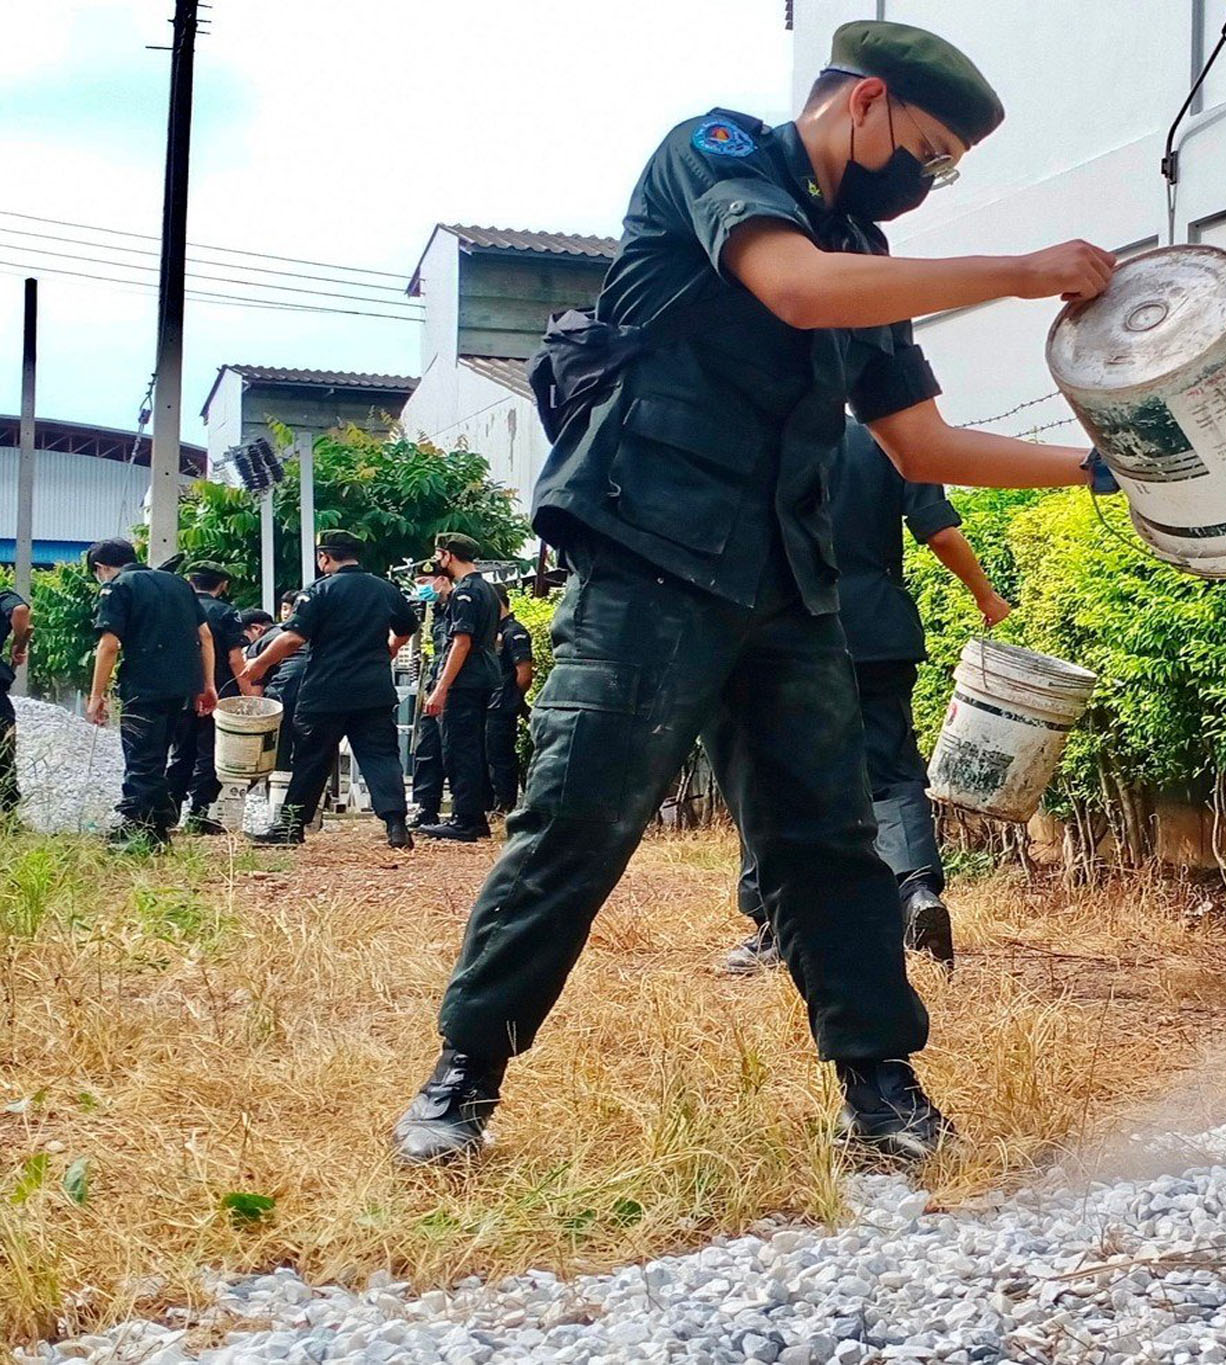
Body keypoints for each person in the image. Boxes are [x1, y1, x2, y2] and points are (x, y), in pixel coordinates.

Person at [393, 18, 1120, 1168]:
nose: (923, 181)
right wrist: (1025, 274)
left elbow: (919, 441)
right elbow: (788, 287)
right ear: (864, 102)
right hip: (649, 549)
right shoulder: (718, 151)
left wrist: (1091, 467)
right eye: (925, 151)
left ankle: (880, 1091)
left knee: (828, 840)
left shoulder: (864, 260)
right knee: (581, 815)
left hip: (785, 579)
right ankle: (463, 1076)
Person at [722, 419, 1008, 976]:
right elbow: (940, 531)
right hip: (879, 631)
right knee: (893, 769)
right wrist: (986, 596)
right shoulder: (892, 441)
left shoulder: (762, 434)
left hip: (787, 632)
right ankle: (916, 895)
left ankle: (773, 926)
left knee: (772, 772)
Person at [240, 530, 419, 850]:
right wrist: (389, 651)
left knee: (312, 758)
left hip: (327, 691)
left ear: (325, 557)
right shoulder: (384, 589)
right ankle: (396, 825)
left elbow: (293, 637)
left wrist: (260, 663)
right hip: (373, 690)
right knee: (381, 756)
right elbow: (406, 628)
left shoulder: (319, 591)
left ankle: (291, 827)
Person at [83, 539, 214, 851]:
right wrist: (207, 684)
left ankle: (141, 832)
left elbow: (110, 645)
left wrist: (96, 695)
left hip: (144, 686)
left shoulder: (118, 587)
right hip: (182, 687)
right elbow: (205, 636)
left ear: (101, 568)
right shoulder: (179, 584)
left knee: (142, 760)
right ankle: (156, 827)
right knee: (157, 758)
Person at [416, 534, 501, 843]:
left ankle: (465, 819)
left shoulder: (465, 593)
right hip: (480, 676)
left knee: (458, 749)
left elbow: (460, 643)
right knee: (471, 748)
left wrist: (440, 689)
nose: (439, 563)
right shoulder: (486, 589)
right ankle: (473, 816)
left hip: (464, 680)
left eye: (439, 557)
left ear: (448, 556)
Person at [167, 564, 249, 835]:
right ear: (223, 585)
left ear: (190, 582)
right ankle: (199, 814)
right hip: (219, 695)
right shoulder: (227, 613)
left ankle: (167, 814)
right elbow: (236, 659)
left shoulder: (177, 608)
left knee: (181, 754)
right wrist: (248, 694)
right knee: (210, 755)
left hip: (180, 691)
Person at [407, 566, 454, 827]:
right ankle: (426, 807)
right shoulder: (436, 611)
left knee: (454, 751)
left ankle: (465, 811)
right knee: (428, 749)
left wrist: (442, 688)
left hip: (452, 689)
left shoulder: (458, 606)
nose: (421, 589)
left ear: (442, 579)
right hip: (435, 684)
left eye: (425, 582)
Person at [485, 590, 535, 815]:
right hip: (490, 703)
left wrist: (512, 699)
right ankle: (493, 803)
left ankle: (505, 804)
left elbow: (524, 674)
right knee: (488, 755)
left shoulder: (514, 632)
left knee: (500, 755)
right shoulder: (494, 631)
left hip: (502, 705)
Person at [253, 592, 311, 775]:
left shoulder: (273, 636)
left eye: (291, 608)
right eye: (284, 608)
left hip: (283, 691)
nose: (286, 613)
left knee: (279, 742)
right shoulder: (316, 633)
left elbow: (254, 681)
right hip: (316, 689)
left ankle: (279, 784)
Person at [0, 576, 31, 818]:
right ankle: (6, 812)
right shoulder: (5, 597)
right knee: (3, 750)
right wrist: (19, 643)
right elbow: (20, 610)